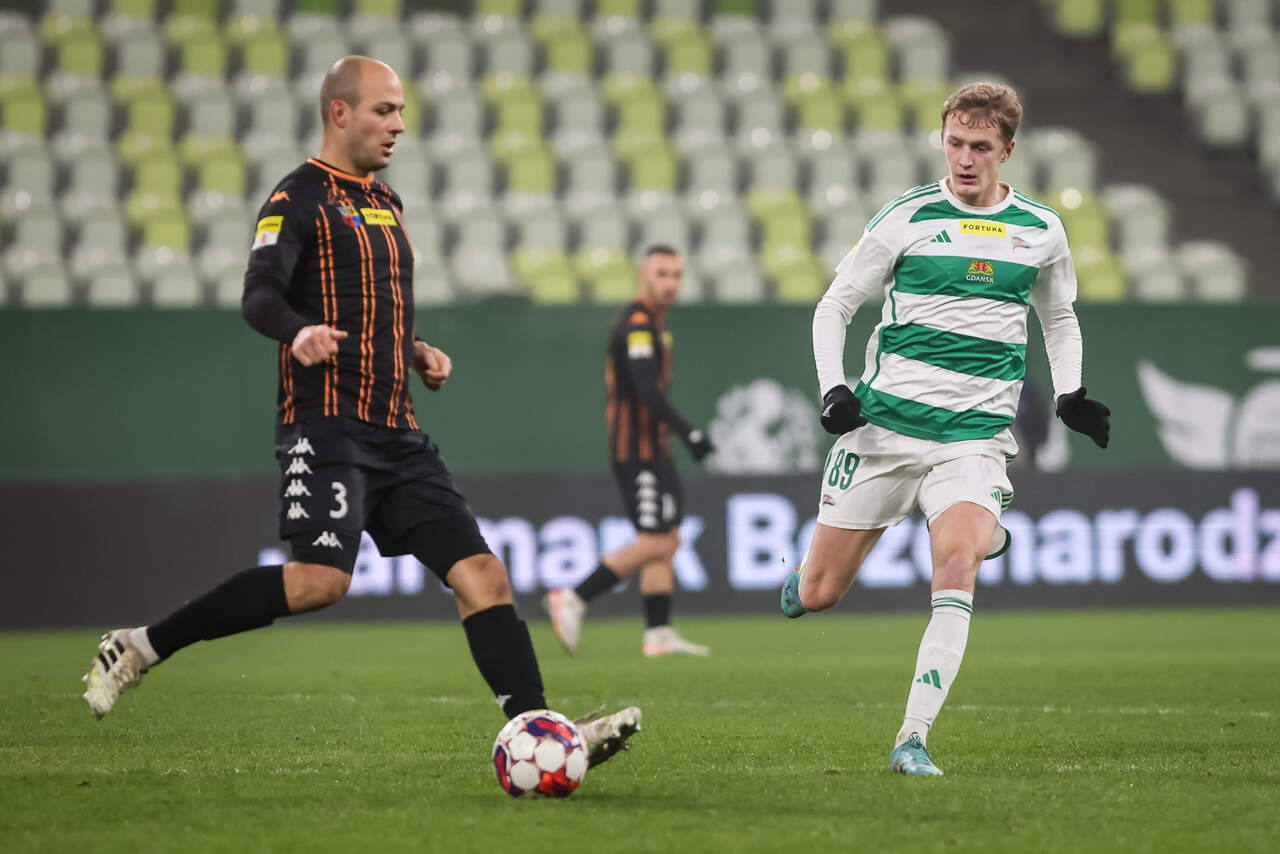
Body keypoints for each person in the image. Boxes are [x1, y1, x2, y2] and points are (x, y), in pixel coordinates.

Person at [81, 56, 640, 766]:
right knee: (319, 583)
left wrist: (414, 349)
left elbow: (375, 305)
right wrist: (297, 332)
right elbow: (259, 295)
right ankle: (138, 646)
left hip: (398, 431)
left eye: (400, 110)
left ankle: (539, 732)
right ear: (339, 112)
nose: (399, 124)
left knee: (483, 574)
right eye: (384, 110)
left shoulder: (386, 201)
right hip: (327, 426)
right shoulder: (297, 198)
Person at [779, 82, 1110, 775]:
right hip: (884, 433)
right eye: (955, 142)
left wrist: (1071, 392)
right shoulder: (906, 217)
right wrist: (833, 389)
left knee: (956, 563)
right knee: (820, 594)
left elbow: (1058, 316)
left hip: (974, 439)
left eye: (979, 146)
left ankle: (913, 738)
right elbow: (834, 306)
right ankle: (808, 576)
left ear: (1007, 150)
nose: (964, 158)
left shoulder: (1041, 229)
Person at [542, 246, 714, 658]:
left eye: (676, 275)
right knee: (656, 541)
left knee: (668, 538)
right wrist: (690, 433)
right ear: (643, 276)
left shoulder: (655, 324)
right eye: (662, 274)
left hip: (656, 448)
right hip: (636, 449)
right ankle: (574, 596)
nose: (670, 283)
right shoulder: (637, 323)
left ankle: (658, 632)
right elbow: (646, 391)